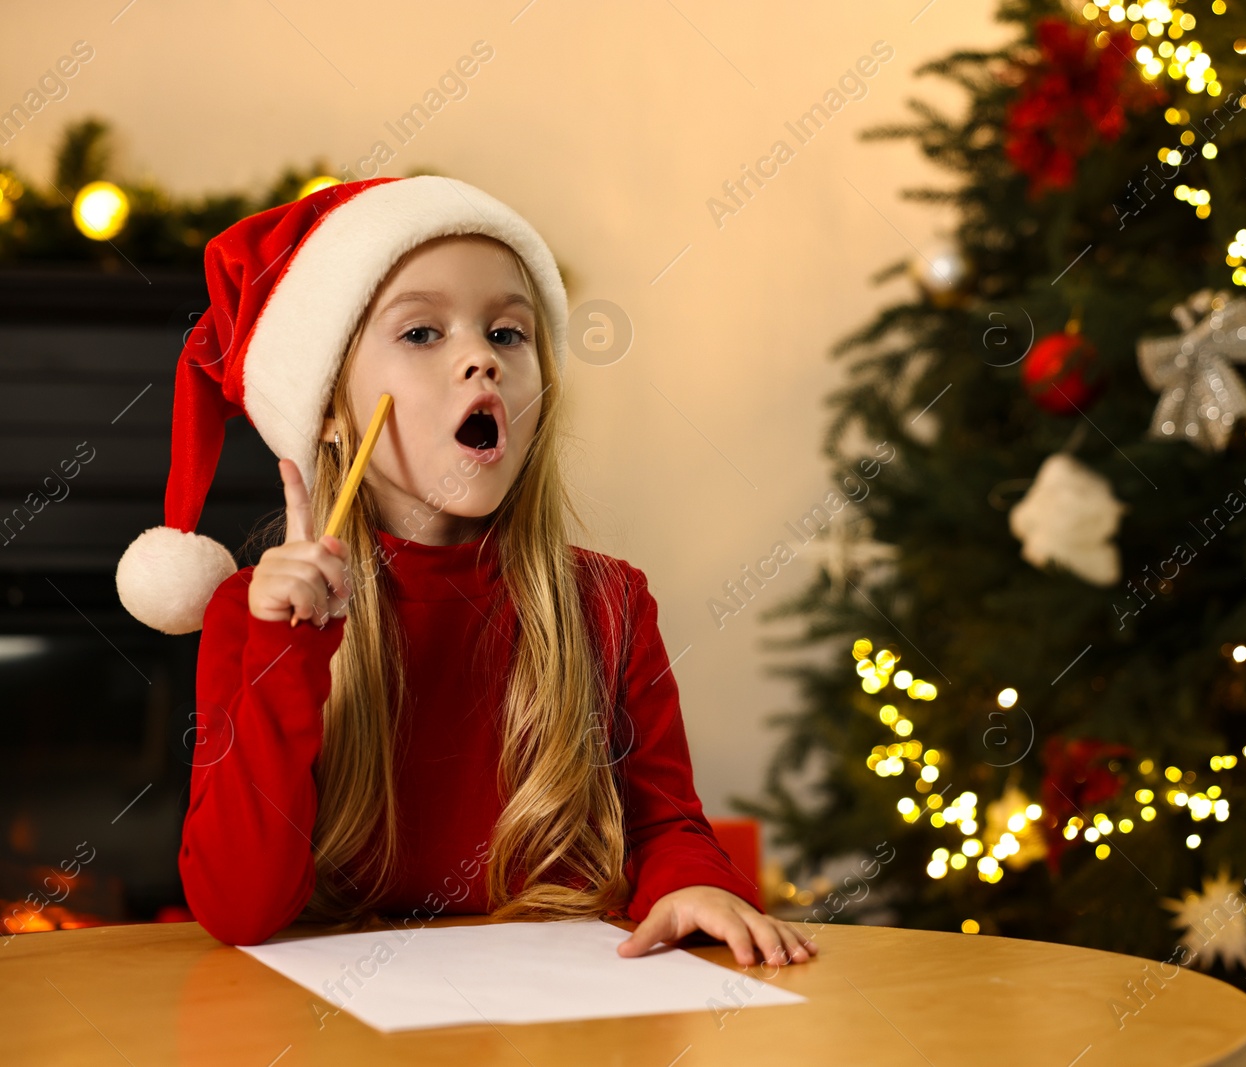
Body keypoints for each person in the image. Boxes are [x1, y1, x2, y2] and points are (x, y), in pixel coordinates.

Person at [113, 175, 817, 969]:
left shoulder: (610, 601)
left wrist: (696, 882)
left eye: (508, 334)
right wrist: (288, 651)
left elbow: (664, 823)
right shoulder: (255, 612)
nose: (481, 358)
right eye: (422, 333)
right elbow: (239, 906)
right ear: (333, 409)